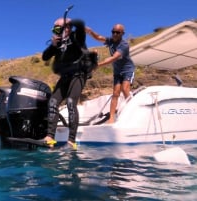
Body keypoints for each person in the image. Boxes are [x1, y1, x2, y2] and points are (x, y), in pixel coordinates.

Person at [41, 17, 91, 149]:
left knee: (70, 102)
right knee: (52, 102)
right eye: (54, 29)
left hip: (78, 74)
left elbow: (80, 25)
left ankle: (71, 140)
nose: (56, 32)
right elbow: (44, 57)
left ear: (67, 28)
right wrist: (53, 46)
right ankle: (50, 137)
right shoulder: (57, 43)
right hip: (65, 76)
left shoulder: (76, 37)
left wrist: (69, 23)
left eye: (58, 28)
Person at [86, 24, 135, 123]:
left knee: (125, 89)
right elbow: (99, 37)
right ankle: (112, 117)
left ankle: (133, 112)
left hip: (127, 70)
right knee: (115, 93)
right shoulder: (110, 41)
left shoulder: (124, 45)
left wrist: (96, 65)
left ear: (122, 33)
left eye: (118, 32)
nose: (115, 34)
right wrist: (90, 32)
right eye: (113, 32)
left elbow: (113, 58)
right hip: (117, 71)